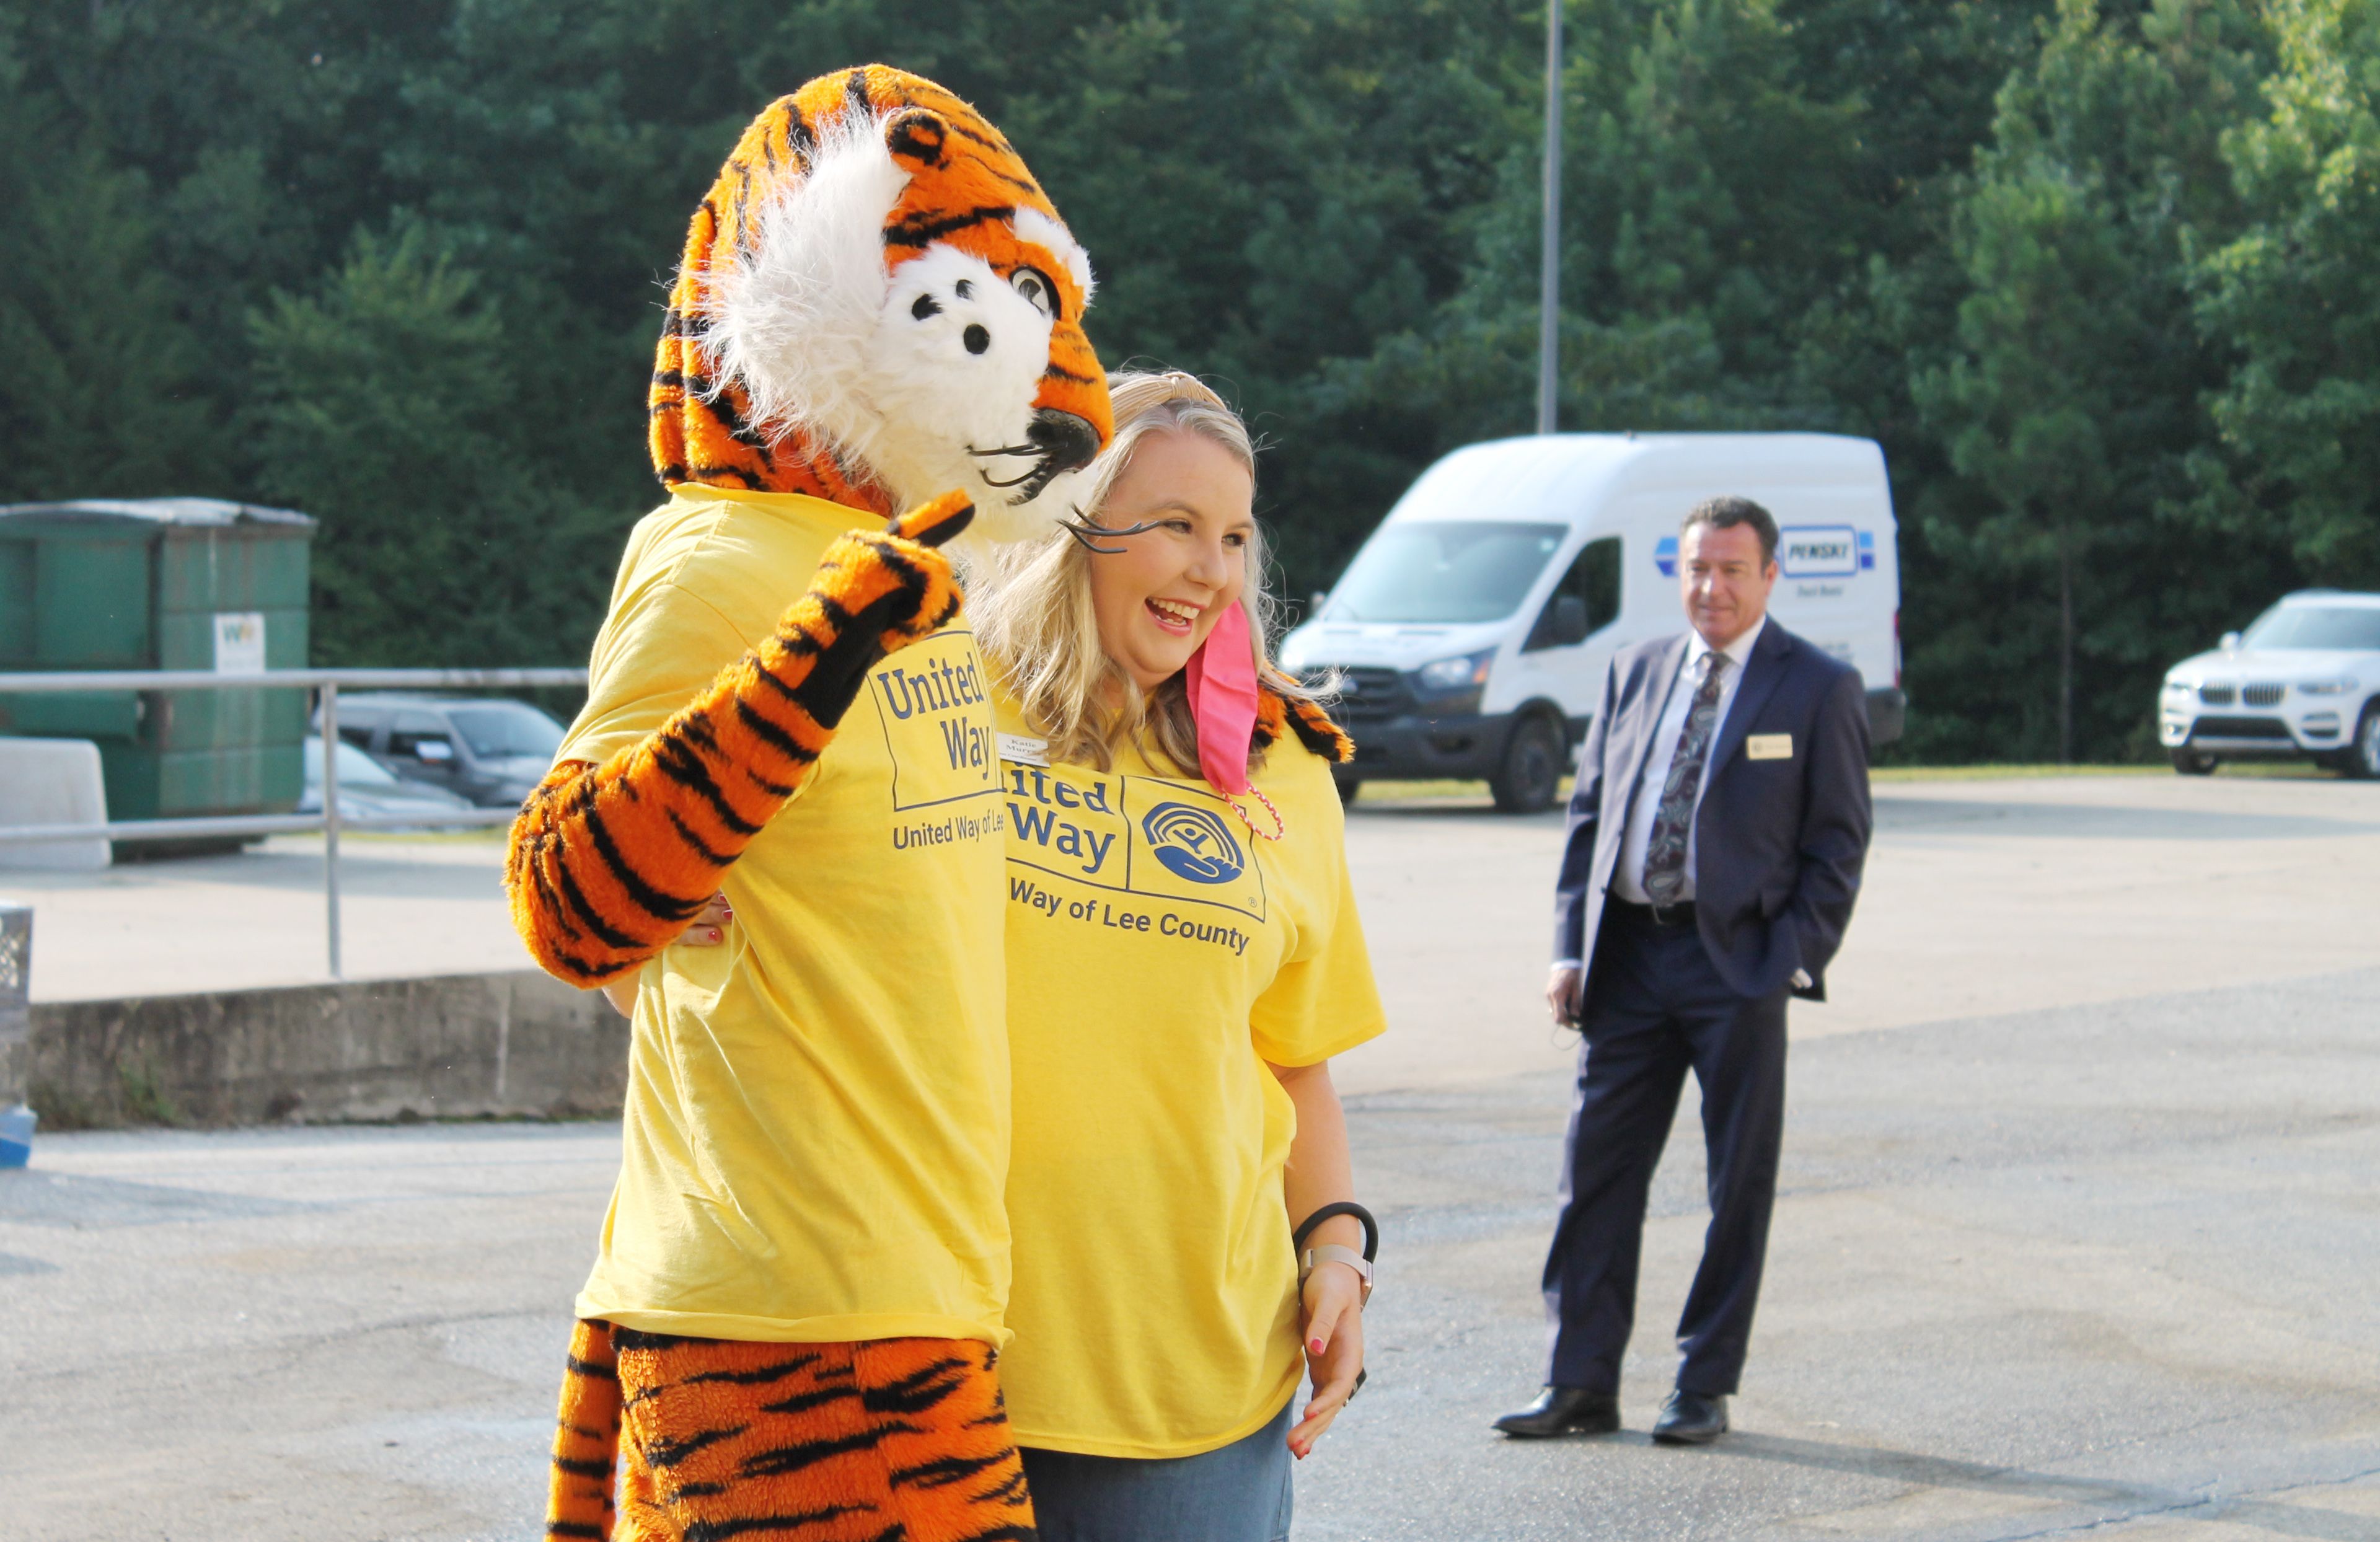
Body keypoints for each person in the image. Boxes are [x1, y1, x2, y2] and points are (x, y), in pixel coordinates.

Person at [625, 371, 1385, 1542]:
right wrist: (665, 903)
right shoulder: (925, 691)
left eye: (1234, 536)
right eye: (1174, 526)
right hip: (922, 1367)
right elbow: (676, 862)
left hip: (1192, 1393)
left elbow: (1292, 1062)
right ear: (1063, 524)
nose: (1212, 570)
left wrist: (1337, 1248)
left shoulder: (1275, 762)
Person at [1494, 495, 1872, 1446]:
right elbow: (1591, 818)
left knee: (1735, 1181)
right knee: (1595, 1175)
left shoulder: (1816, 686)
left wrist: (1786, 960)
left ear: (1769, 576)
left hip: (1734, 968)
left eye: (1733, 570)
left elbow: (1839, 845)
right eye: (1698, 568)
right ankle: (1578, 1382)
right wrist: (1569, 947)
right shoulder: (1636, 669)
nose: (1713, 587)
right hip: (1625, 958)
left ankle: (1703, 1383)